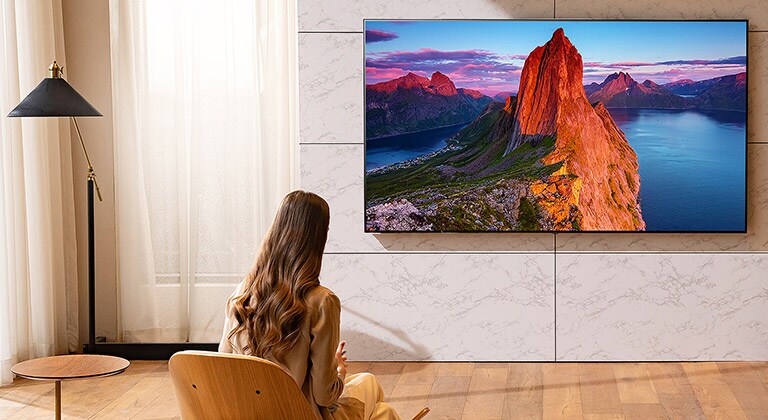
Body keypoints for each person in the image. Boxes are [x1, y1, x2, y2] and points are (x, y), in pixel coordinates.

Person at [219, 190, 402, 420]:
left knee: (369, 381)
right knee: (384, 411)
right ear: (318, 239)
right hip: (299, 413)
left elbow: (222, 363)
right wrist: (339, 370)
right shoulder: (322, 301)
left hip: (248, 413)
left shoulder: (242, 292)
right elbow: (324, 396)